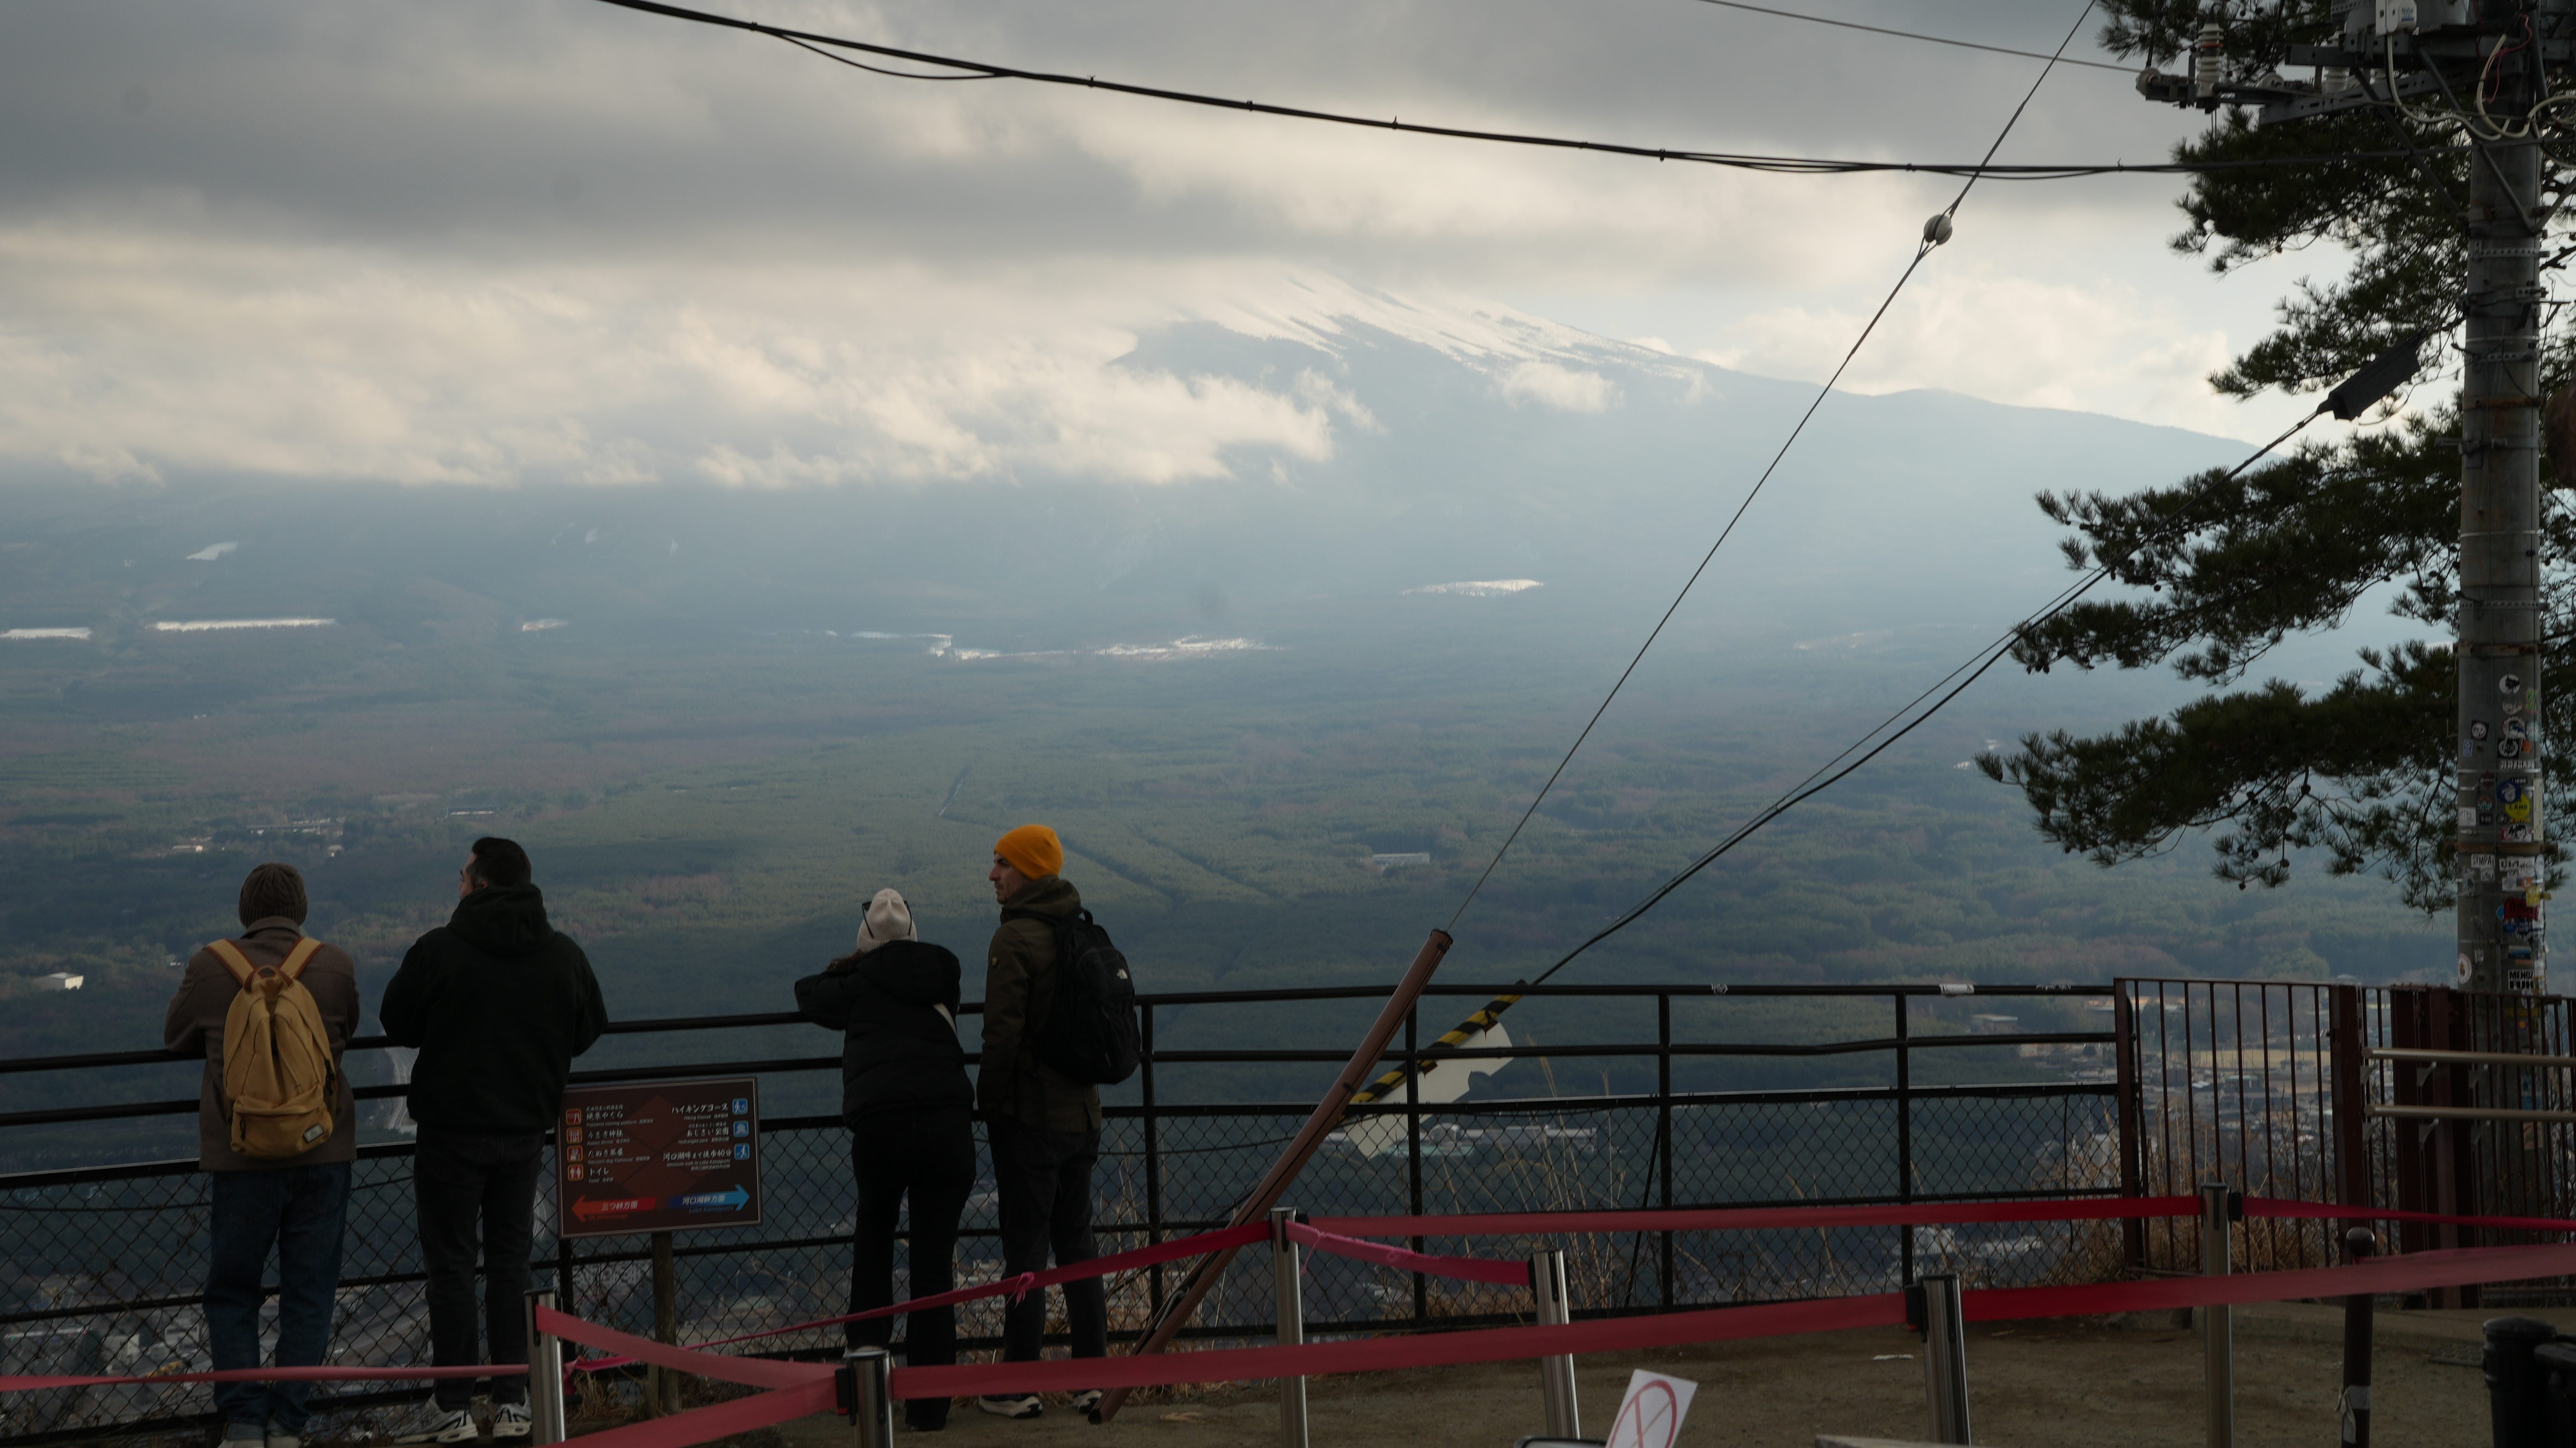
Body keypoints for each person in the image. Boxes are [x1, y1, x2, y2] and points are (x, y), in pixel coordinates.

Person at [380, 838, 607, 1445]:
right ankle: (513, 1402)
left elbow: (397, 1020)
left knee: (452, 1268)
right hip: (523, 1133)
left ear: (480, 886)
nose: (457, 886)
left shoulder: (440, 950)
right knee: (511, 1266)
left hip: (450, 1135)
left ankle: (453, 1407)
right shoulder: (562, 955)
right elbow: (588, 1027)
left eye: (462, 877)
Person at [164, 863, 362, 1448]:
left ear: (245, 912)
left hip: (241, 1155)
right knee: (310, 1290)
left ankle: (244, 1421)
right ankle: (289, 1422)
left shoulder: (210, 966)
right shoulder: (334, 965)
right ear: (300, 910)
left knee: (232, 1291)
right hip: (322, 1149)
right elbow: (343, 1035)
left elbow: (175, 1036)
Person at [795, 888, 973, 1434]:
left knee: (874, 1244)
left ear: (867, 940)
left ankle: (868, 1392)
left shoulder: (858, 984)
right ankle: (929, 1408)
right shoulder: (943, 973)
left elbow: (808, 993)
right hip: (947, 1126)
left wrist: (858, 962)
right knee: (933, 1268)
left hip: (883, 1129)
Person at [973, 825, 1104, 1421]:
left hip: (1030, 1121)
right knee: (1079, 1247)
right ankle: (1092, 1378)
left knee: (1025, 1251)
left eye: (1003, 864)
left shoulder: (1014, 940)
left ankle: (1017, 1383)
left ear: (1026, 871)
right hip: (1083, 1116)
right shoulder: (1079, 929)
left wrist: (989, 1105)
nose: (993, 875)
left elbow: (1000, 1038)